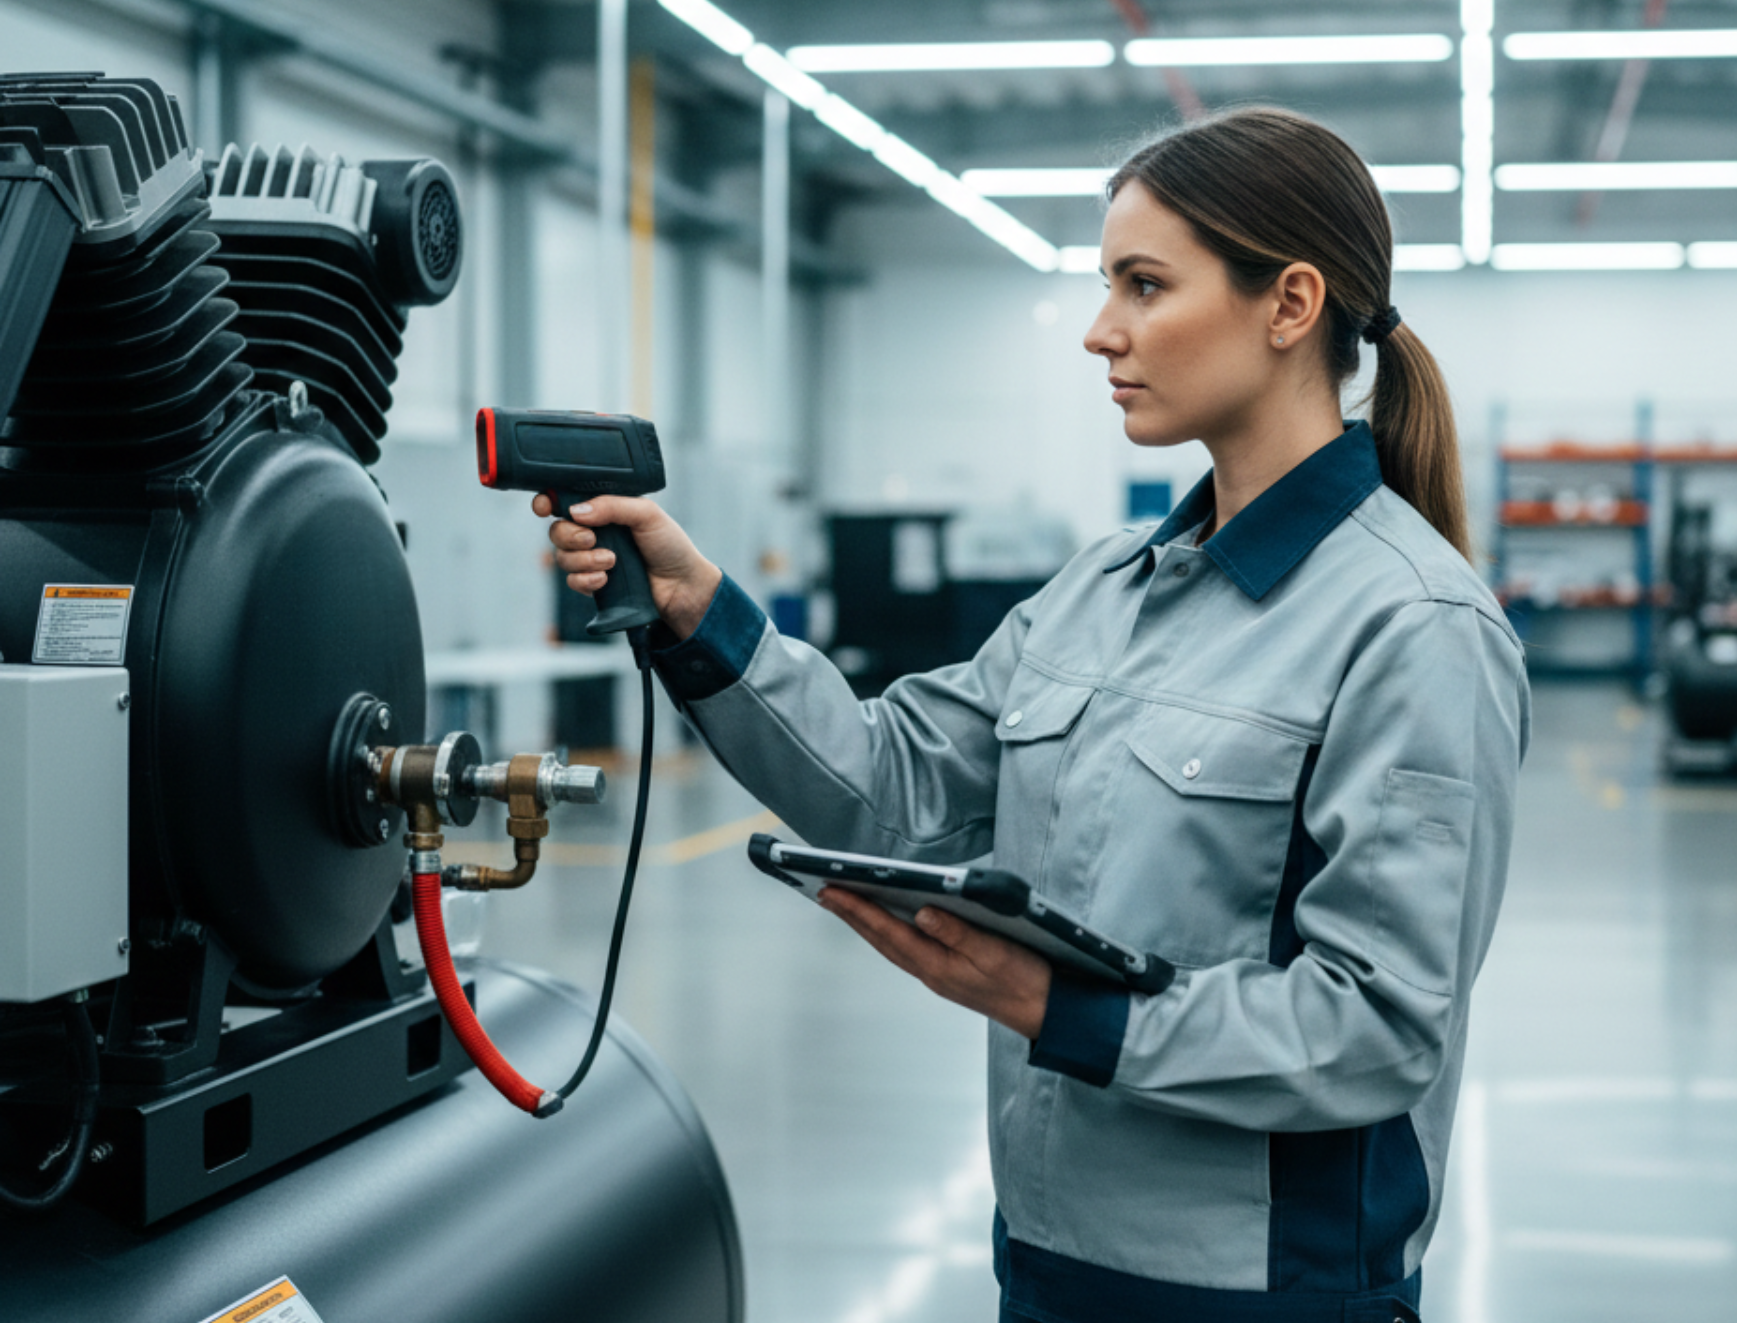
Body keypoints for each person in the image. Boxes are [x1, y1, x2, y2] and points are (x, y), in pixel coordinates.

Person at [537, 106, 1528, 1323]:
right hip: (1048, 1261)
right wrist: (702, 614)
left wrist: (1067, 1011)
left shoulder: (1414, 626)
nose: (1102, 331)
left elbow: (1378, 1027)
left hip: (1268, 1295)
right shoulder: (1101, 592)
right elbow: (888, 790)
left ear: (1290, 305)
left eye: (1145, 285)